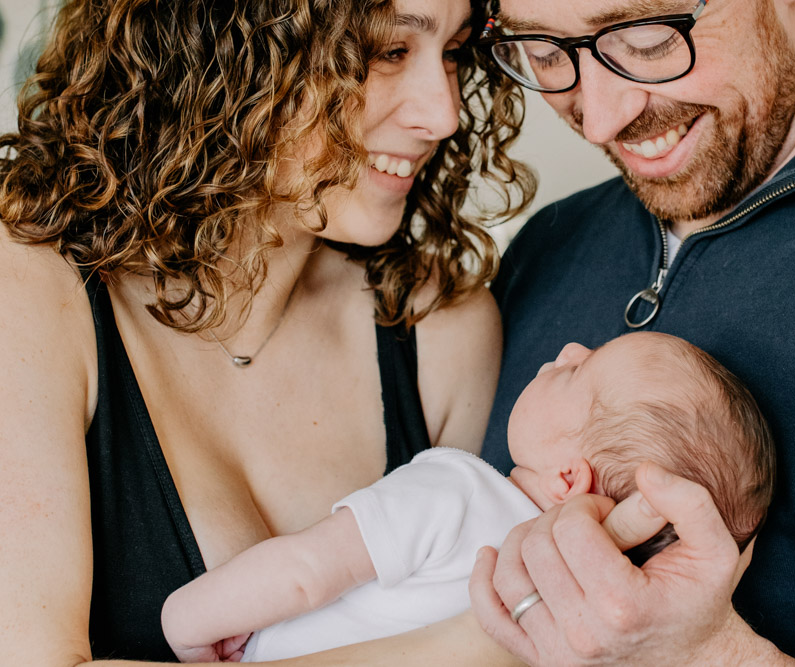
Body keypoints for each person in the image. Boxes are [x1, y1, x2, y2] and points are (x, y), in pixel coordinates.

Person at [0, 0, 535, 663]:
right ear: (232, 46)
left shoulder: (444, 332)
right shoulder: (28, 290)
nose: (443, 113)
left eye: (453, 54)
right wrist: (475, 642)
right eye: (389, 52)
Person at [470, 0, 795, 665]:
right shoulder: (549, 244)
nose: (602, 118)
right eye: (545, 51)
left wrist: (715, 656)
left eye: (646, 36)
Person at [159, 331, 775, 662]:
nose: (568, 350)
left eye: (580, 372)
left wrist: (191, 623)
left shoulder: (455, 488)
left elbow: (304, 572)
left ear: (569, 479)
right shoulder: (577, 628)